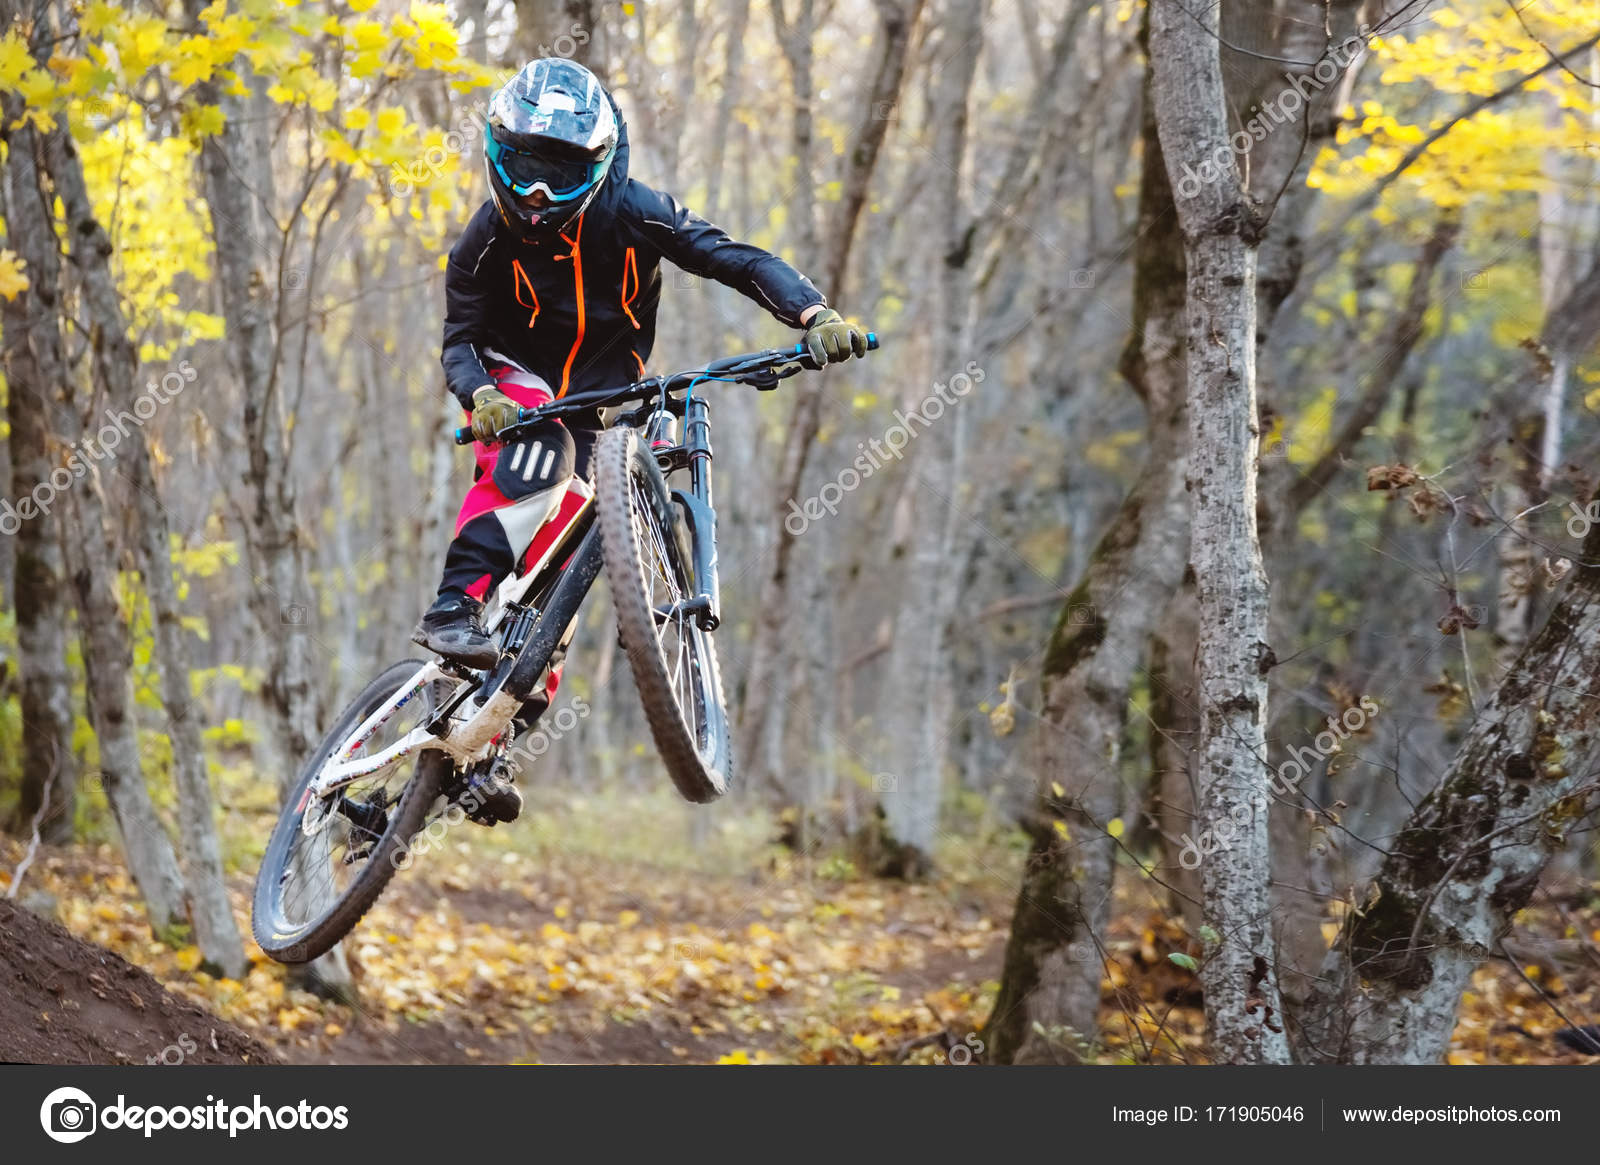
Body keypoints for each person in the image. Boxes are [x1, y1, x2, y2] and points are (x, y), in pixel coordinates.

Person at [412, 57, 867, 821]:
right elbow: (459, 335)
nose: (533, 192)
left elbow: (734, 258)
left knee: (568, 572)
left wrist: (812, 315)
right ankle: (454, 607)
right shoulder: (485, 238)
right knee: (539, 460)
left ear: (596, 164)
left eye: (557, 172)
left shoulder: (634, 212)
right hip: (513, 384)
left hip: (602, 397)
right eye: (522, 166)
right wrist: (480, 393)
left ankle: (494, 736)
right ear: (496, 154)